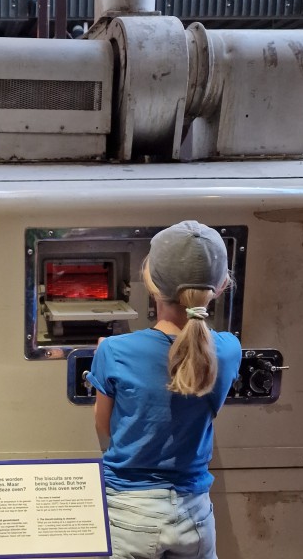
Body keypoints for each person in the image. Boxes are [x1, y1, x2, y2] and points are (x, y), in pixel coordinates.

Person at [86, 220, 242, 559]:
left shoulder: (113, 351)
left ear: (150, 283)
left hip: (130, 513)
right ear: (222, 285)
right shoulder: (229, 349)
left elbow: (103, 428)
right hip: (195, 513)